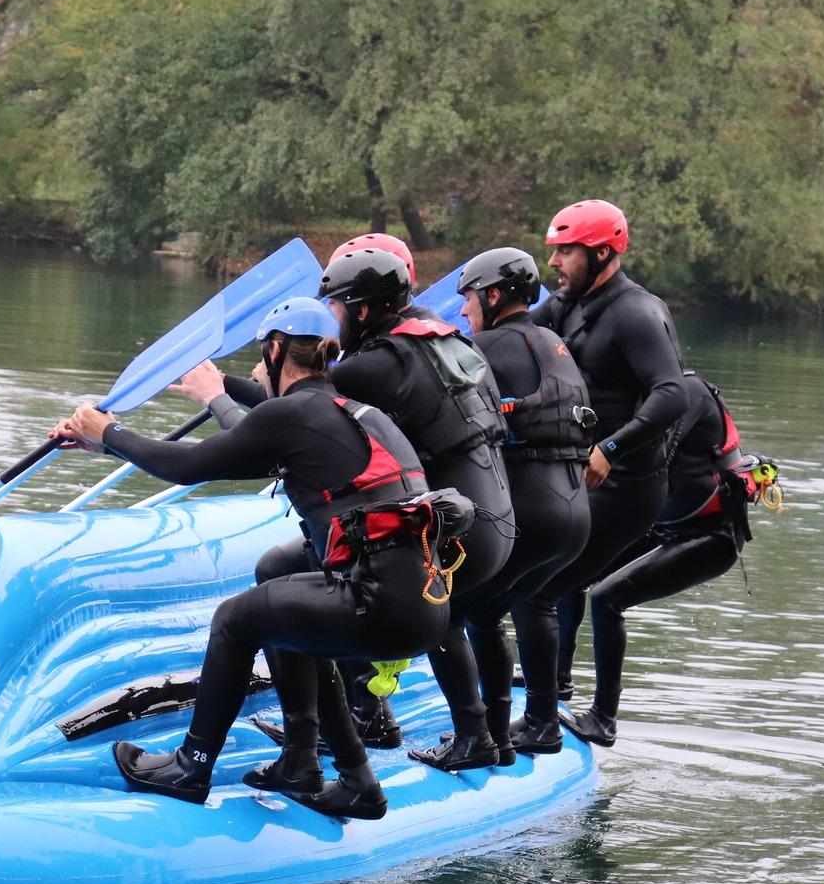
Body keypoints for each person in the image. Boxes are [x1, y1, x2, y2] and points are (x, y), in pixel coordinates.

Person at [49, 298, 453, 820]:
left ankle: (190, 767)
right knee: (283, 599)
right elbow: (237, 447)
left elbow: (189, 465)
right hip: (426, 605)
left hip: (378, 600)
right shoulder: (352, 414)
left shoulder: (295, 413)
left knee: (236, 619)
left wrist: (109, 431)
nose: (260, 369)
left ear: (277, 347)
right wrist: (106, 447)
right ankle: (334, 776)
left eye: (264, 357)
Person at [219, 248, 517, 766]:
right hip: (493, 515)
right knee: (313, 570)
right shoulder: (435, 337)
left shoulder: (376, 365)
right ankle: (425, 727)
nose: (325, 323)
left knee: (349, 580)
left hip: (459, 527)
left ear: (360, 310)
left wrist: (217, 388)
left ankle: (381, 733)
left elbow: (290, 417)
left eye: (332, 307)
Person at [407, 246, 593, 764]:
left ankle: (477, 740)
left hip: (530, 509)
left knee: (440, 613)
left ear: (492, 296)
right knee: (489, 613)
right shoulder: (552, 340)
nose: (462, 310)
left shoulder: (482, 345)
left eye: (467, 298)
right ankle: (517, 730)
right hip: (575, 513)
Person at [525, 198, 686, 705]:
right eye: (554, 252)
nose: (554, 263)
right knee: (550, 572)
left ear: (601, 254)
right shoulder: (567, 304)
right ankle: (557, 682)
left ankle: (548, 715)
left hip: (629, 484)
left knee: (539, 587)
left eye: (566, 252)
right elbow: (514, 334)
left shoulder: (637, 312)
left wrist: (610, 449)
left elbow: (671, 394)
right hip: (579, 476)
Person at [563, 373, 758, 746]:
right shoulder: (642, 402)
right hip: (665, 525)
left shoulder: (687, 394)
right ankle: (558, 681)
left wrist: (605, 455)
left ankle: (604, 719)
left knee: (607, 598)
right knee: (571, 570)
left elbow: (653, 456)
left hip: (711, 536)